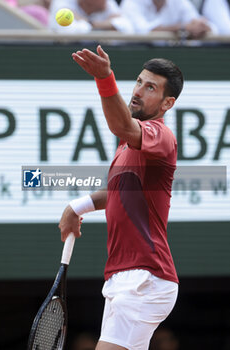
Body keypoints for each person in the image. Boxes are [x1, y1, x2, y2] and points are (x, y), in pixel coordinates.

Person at [59, 45, 183, 350]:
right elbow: (119, 190)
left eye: (150, 87)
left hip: (145, 278)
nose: (138, 91)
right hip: (122, 278)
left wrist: (105, 78)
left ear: (168, 102)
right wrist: (79, 205)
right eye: (139, 82)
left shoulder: (160, 136)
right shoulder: (126, 146)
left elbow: (121, 125)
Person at [120, 0, 217, 39]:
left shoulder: (179, 2)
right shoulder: (131, 2)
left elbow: (212, 28)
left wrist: (203, 26)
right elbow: (141, 31)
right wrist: (182, 27)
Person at [49, 0, 133, 33]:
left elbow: (128, 28)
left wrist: (92, 24)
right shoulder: (62, 3)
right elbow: (71, 32)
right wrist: (107, 25)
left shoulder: (107, 3)